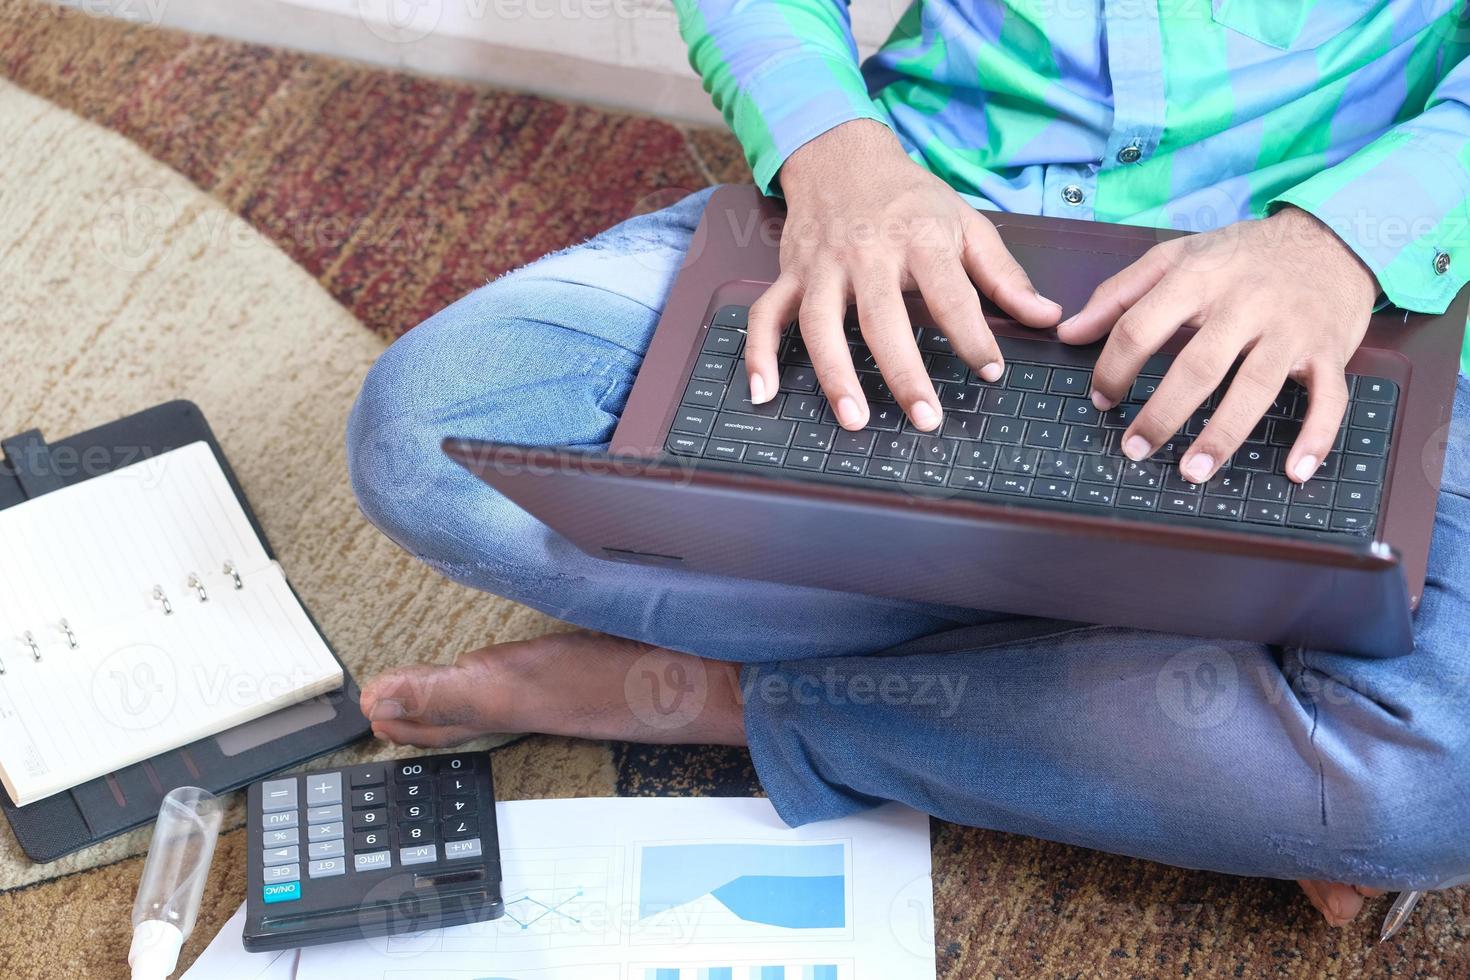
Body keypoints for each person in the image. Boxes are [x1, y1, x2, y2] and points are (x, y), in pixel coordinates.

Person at [346, 1, 1470, 927]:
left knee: (1437, 785)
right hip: (932, 204)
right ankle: (1179, 718)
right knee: (436, 436)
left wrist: (1342, 242)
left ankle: (751, 700)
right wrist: (839, 160)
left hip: (1347, 294)